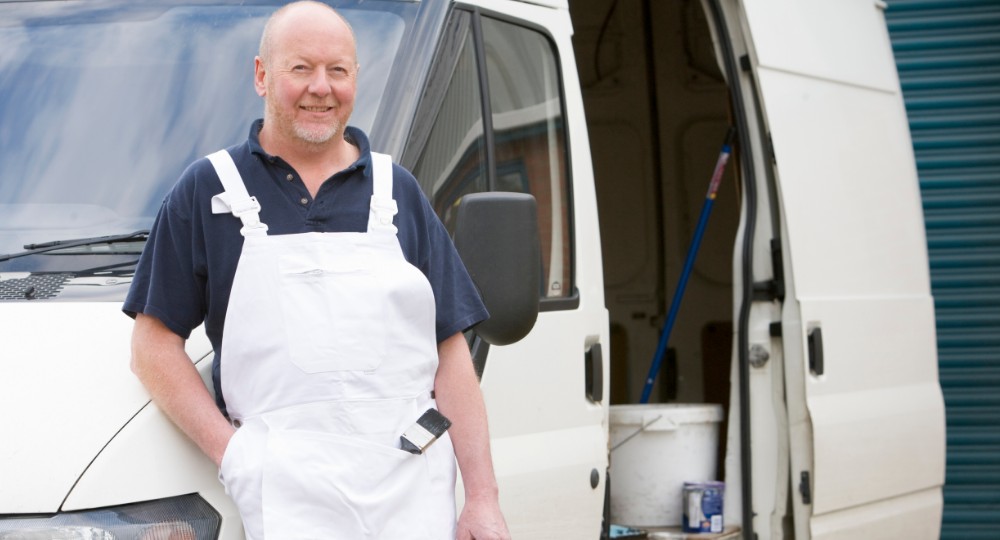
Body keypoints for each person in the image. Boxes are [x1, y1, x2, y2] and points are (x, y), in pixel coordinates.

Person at [124, 2, 510, 538]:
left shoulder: (396, 191)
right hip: (284, 501)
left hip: (413, 495)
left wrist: (483, 499)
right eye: (300, 68)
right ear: (262, 75)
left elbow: (450, 352)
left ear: (356, 78)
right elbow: (152, 347)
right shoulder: (207, 190)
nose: (320, 87)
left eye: (338, 70)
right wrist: (234, 455)